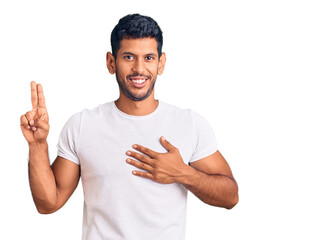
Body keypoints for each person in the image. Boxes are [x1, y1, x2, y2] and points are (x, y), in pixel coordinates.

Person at [20, 13, 238, 240]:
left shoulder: (189, 124)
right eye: (128, 57)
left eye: (149, 58)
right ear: (111, 62)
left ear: (161, 63)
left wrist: (183, 174)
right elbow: (48, 203)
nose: (139, 69)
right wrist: (37, 145)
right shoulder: (83, 125)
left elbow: (230, 196)